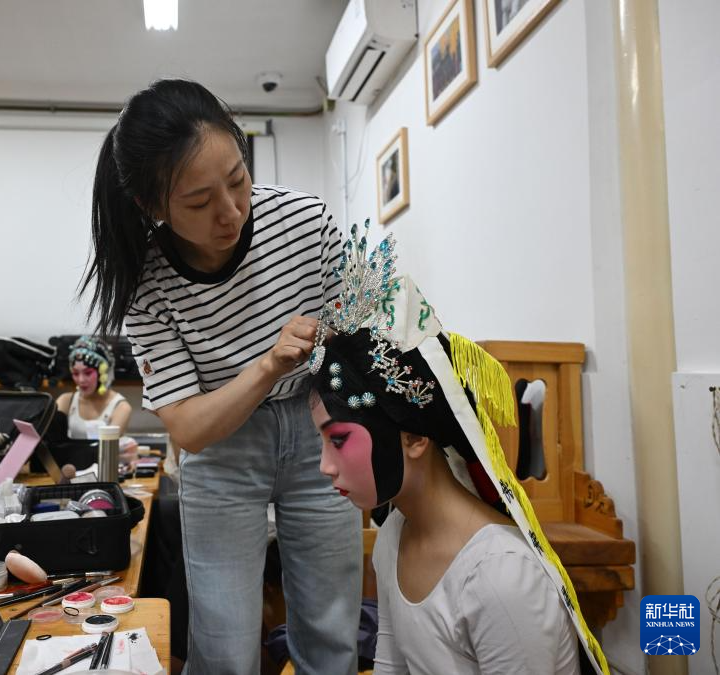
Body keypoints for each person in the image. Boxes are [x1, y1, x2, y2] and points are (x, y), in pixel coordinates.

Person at [81, 78, 362, 674]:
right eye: (199, 201)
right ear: (153, 207)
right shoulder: (148, 285)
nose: (231, 211)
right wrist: (268, 363)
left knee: (331, 631)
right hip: (223, 447)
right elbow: (190, 428)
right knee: (225, 645)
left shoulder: (305, 222)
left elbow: (358, 337)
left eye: (238, 180)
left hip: (319, 429)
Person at [306, 226, 608, 674]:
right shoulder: (394, 538)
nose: (324, 467)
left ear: (414, 437)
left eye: (338, 439)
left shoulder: (501, 577)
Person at [56, 335, 132, 439]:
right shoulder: (65, 401)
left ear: (103, 372)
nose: (81, 380)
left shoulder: (121, 407)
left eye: (88, 373)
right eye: (76, 373)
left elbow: (109, 445)